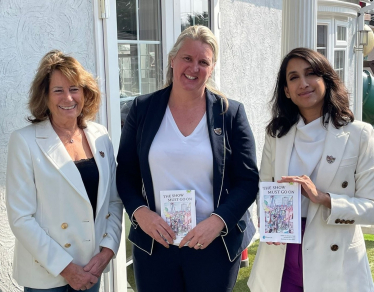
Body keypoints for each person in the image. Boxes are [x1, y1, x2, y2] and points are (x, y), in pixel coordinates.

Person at [116, 25, 259, 292]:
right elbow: (125, 173)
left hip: (212, 243)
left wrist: (218, 221)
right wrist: (140, 213)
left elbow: (248, 180)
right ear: (172, 60)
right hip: (156, 242)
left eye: (203, 62)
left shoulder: (230, 114)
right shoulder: (142, 109)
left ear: (212, 67)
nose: (194, 68)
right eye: (187, 58)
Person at [247, 47, 374, 292]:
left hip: (334, 261)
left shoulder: (359, 134)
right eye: (293, 77)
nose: (303, 83)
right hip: (280, 256)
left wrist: (324, 199)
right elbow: (264, 188)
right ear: (286, 90)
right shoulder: (276, 134)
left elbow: (371, 207)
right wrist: (268, 219)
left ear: (326, 79)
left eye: (311, 73)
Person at [6, 50, 123, 292]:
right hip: (47, 274)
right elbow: (21, 218)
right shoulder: (24, 141)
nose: (68, 97)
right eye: (58, 90)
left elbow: (114, 201)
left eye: (75, 88)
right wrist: (67, 269)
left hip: (91, 267)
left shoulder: (100, 136)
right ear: (45, 96)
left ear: (85, 92)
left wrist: (108, 251)